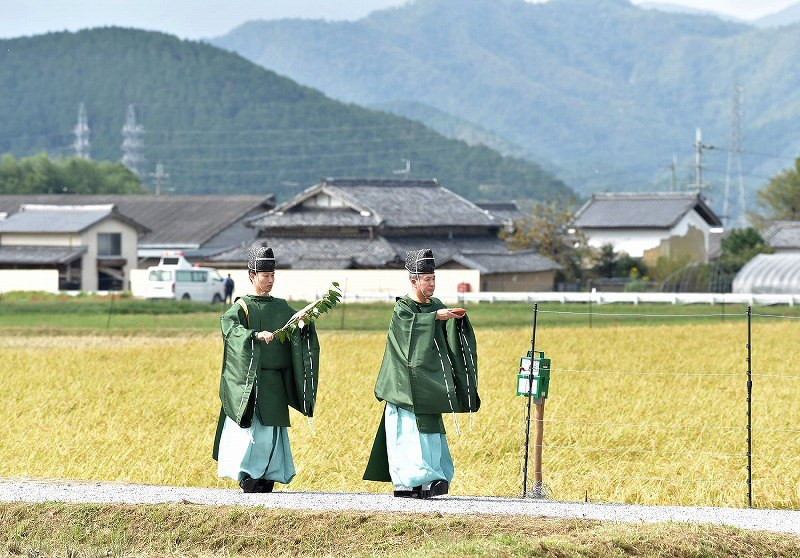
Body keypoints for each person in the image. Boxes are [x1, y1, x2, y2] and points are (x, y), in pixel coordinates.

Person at [363, 248, 480, 498]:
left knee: (430, 431)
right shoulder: (403, 309)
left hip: (428, 380)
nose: (432, 284)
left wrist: (455, 320)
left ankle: (432, 476)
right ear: (413, 280)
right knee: (407, 432)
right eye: (427, 280)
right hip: (403, 383)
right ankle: (408, 480)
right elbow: (408, 333)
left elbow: (444, 333)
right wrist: (433, 318)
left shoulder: (436, 305)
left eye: (434, 279)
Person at [212, 246, 320, 493]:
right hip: (250, 379)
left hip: (274, 380)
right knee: (251, 430)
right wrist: (252, 336)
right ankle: (247, 475)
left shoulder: (281, 307)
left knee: (272, 431)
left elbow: (296, 326)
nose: (270, 280)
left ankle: (269, 473)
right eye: (264, 275)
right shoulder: (242, 307)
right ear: (252, 276)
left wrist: (304, 325)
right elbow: (231, 330)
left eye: (272, 275)